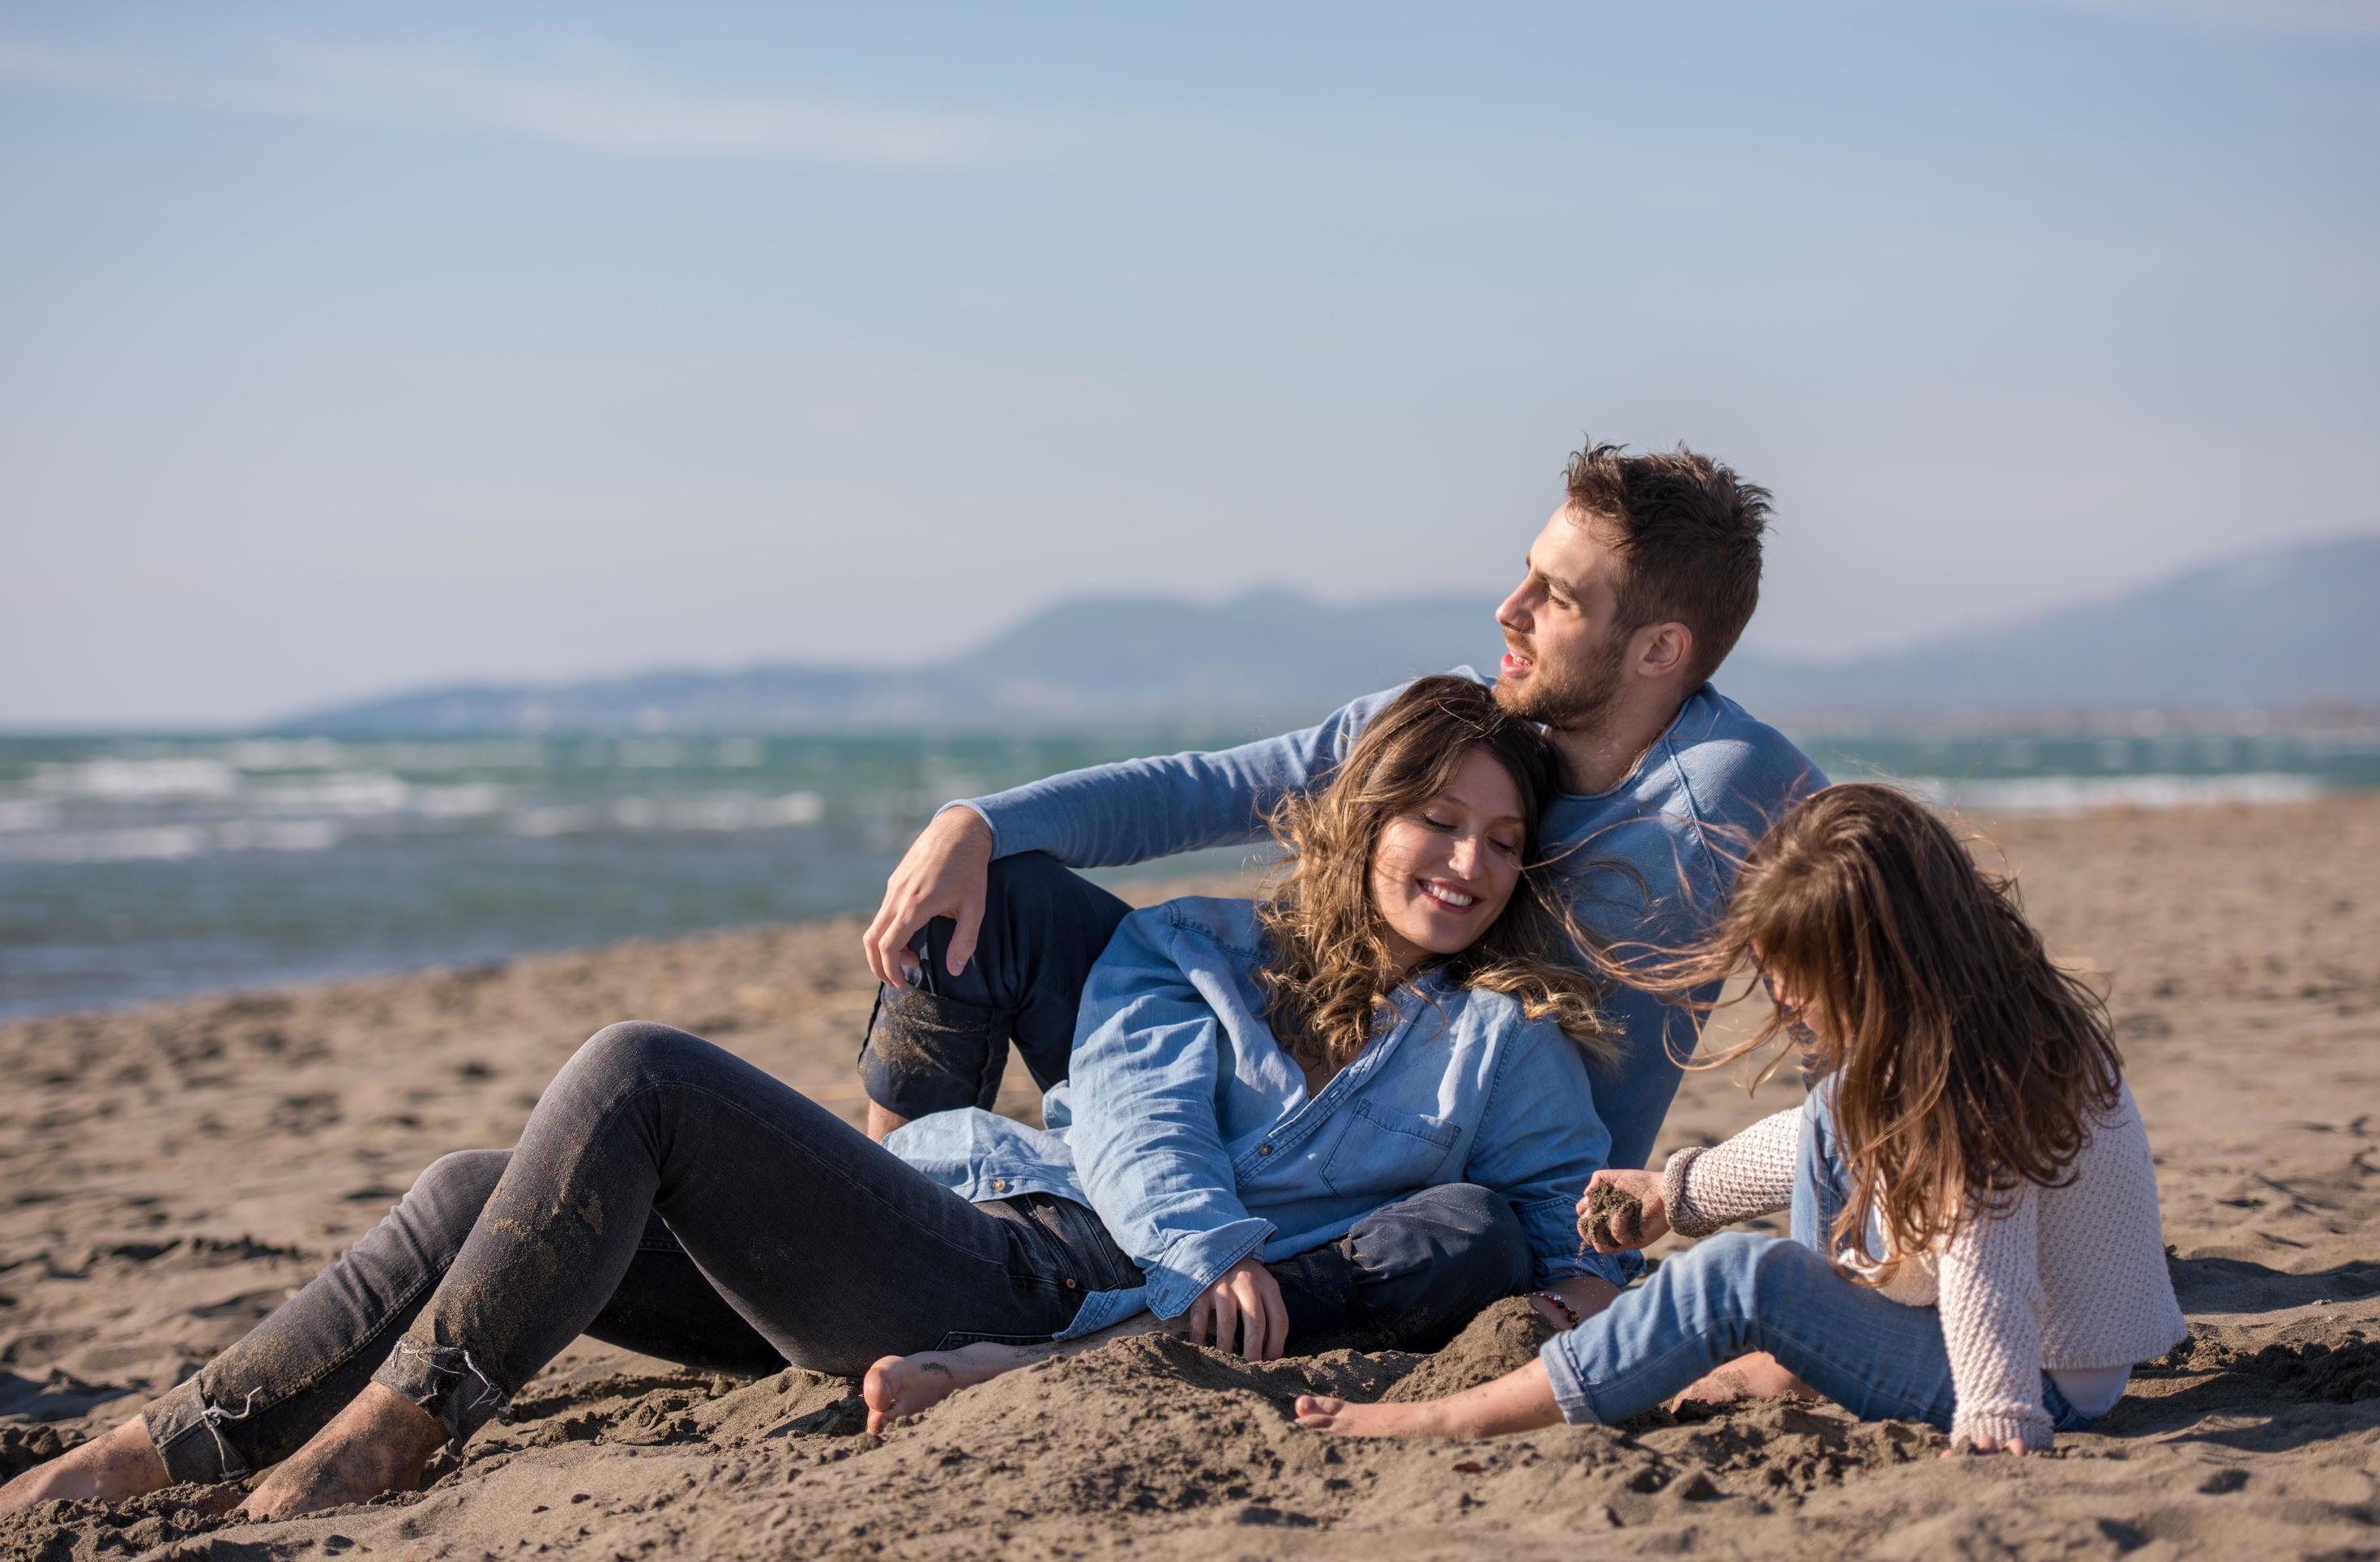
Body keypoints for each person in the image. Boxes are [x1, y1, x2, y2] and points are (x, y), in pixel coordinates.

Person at [0, 679, 1625, 1521]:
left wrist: (1578, 1274)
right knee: (463, 1189)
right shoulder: (1187, 950)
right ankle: (169, 1442)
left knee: (640, 1072)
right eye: (1436, 821)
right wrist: (1210, 1252)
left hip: (1042, 1285)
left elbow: (1550, 1214)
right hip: (990, 1228)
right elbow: (1130, 1127)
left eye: (1499, 841)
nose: (1466, 863)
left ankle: (396, 1430)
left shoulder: (1501, 1044)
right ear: (1357, 820)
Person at [857, 439, 1822, 1210]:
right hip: (1282, 1097)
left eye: (1556, 597)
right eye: (1524, 574)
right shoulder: (1459, 723)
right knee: (991, 895)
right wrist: (977, 821)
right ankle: (879, 1214)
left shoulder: (1734, 793)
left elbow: (1878, 1007)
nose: (1508, 609)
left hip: (1447, 1201)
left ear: (1661, 648)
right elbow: (1209, 789)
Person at [1293, 783, 2190, 1454]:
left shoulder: (1969, 1085)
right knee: (1836, 1108)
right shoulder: (1980, 1013)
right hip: (2030, 1344)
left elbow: (1985, 1266)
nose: (1785, 997)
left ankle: (1451, 1418)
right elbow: (1819, 1133)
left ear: (1881, 961)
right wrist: (1673, 1193)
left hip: (2031, 1377)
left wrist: (2000, 1421)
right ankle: (1794, 1356)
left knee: (1739, 1281)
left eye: (1801, 976)